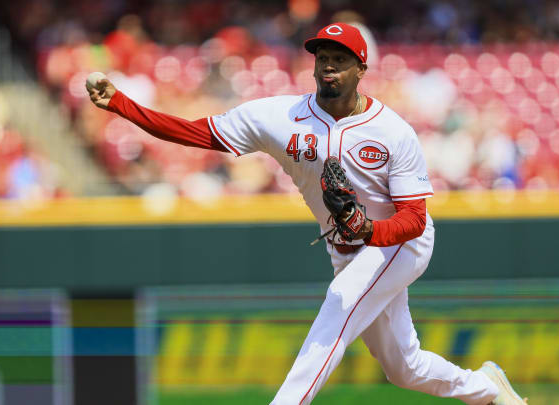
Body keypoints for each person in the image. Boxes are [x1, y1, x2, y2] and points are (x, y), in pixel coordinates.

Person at [88, 22, 527, 405]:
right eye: (322, 57)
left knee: (340, 302)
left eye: (340, 58)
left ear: (361, 70)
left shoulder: (394, 131)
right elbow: (197, 133)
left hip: (401, 243)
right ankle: (485, 388)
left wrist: (369, 229)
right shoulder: (280, 116)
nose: (328, 66)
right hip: (347, 250)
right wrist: (122, 105)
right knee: (403, 367)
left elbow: (413, 218)